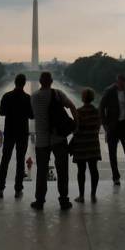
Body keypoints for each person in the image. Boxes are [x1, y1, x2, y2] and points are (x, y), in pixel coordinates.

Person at [30, 70, 77, 210]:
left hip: (42, 140)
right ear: (51, 82)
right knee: (62, 171)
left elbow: (33, 115)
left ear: (39, 81)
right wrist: (76, 127)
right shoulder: (58, 94)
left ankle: (39, 201)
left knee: (41, 172)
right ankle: (63, 200)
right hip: (59, 138)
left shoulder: (34, 97)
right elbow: (73, 107)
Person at [0, 73, 34, 198]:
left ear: (15, 82)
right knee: (20, 161)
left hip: (10, 131)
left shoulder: (7, 96)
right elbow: (32, 115)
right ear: (24, 83)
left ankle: (0, 188)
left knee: (5, 160)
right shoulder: (28, 98)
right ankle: (18, 189)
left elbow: (2, 113)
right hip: (22, 132)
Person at [99, 73, 125, 185]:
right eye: (121, 85)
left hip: (124, 125)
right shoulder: (109, 91)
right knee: (112, 154)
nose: (123, 87)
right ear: (117, 82)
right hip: (112, 126)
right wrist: (105, 124)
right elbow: (101, 107)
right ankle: (116, 177)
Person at [71, 87, 101, 203]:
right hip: (93, 144)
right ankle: (93, 194)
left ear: (83, 98)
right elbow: (98, 127)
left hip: (81, 145)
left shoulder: (79, 112)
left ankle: (81, 196)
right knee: (94, 170)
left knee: (81, 171)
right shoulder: (97, 111)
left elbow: (76, 129)